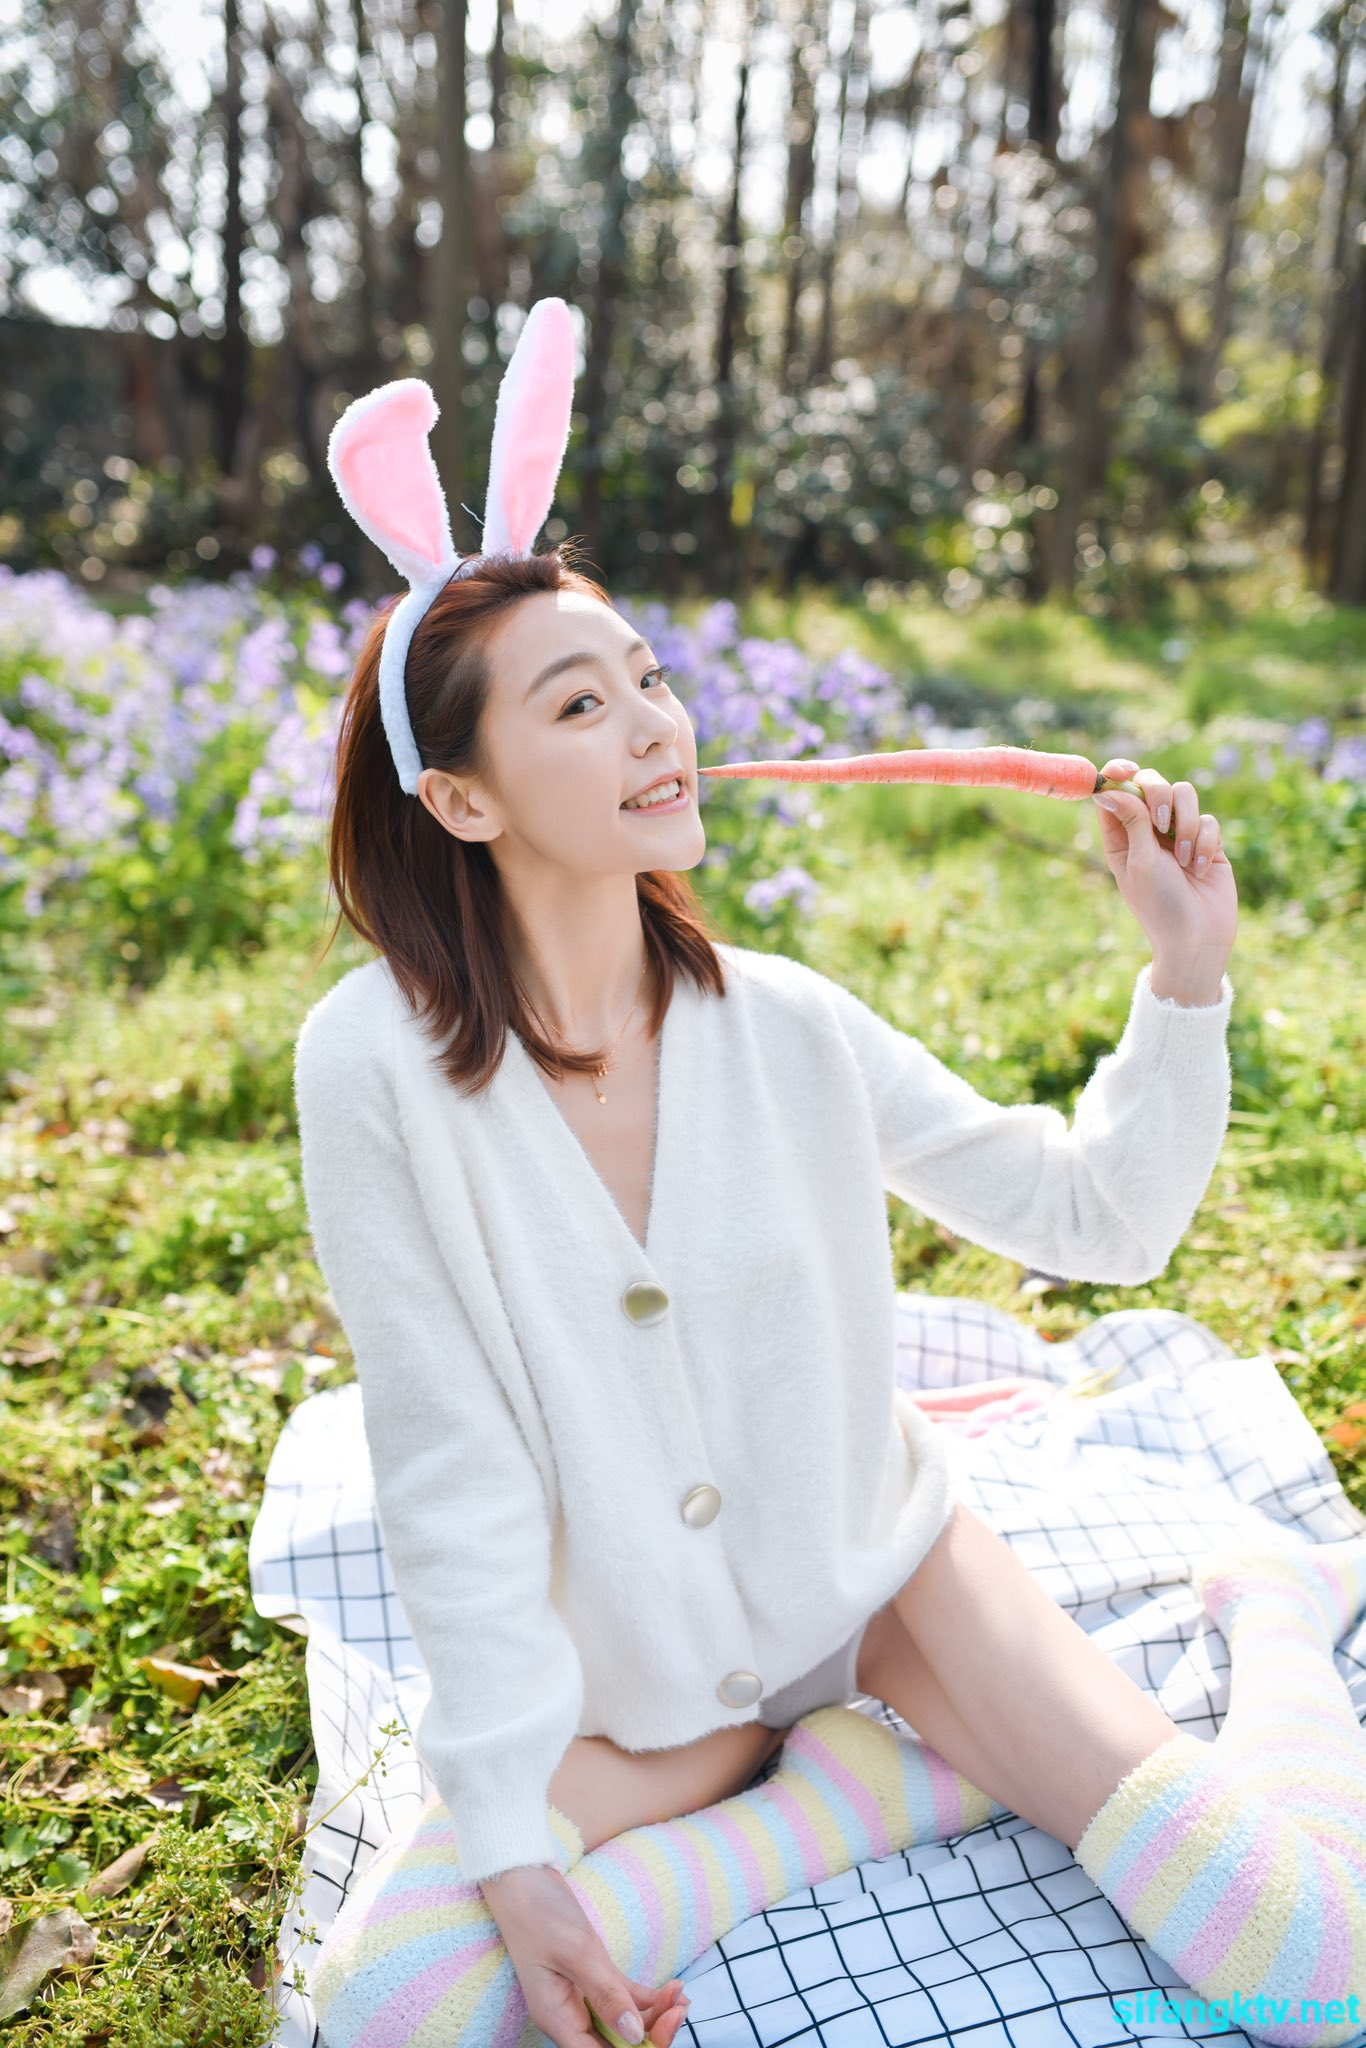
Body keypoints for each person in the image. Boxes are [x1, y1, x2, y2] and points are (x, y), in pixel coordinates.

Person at [297, 314, 1366, 2048]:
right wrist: (503, 1831)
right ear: (464, 800)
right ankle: (853, 1789)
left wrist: (1185, 975)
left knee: (1316, 1974)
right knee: (392, 2011)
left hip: (883, 1583)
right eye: (579, 705)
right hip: (628, 1673)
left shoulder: (781, 1023)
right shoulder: (372, 1069)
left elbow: (1096, 1222)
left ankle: (1271, 1620)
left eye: (648, 678)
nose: (654, 726)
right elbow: (445, 1458)